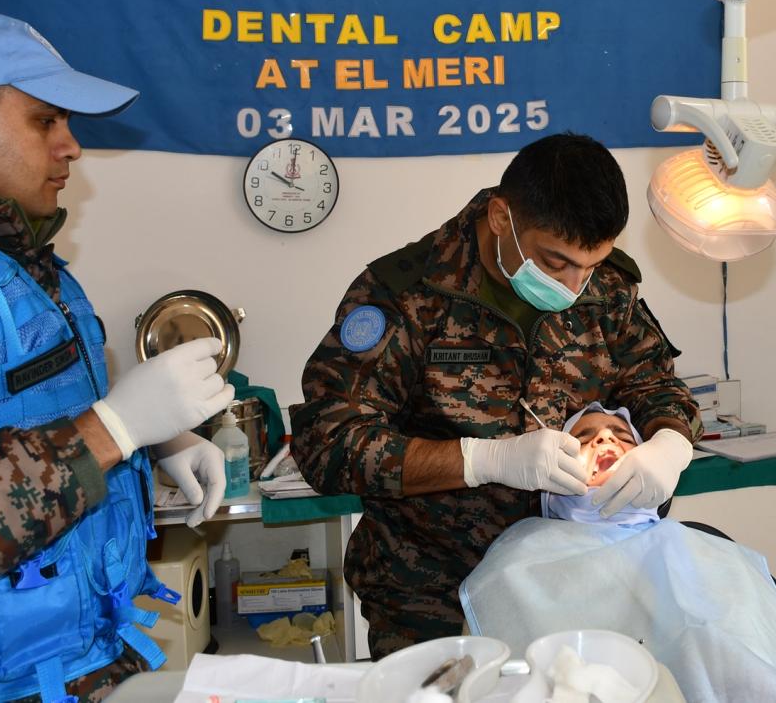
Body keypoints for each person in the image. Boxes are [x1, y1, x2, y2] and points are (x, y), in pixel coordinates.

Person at [0, 9, 236, 702]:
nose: (71, 146)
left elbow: (16, 411)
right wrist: (111, 431)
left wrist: (155, 437)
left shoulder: (15, 262)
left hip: (79, 667)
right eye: (45, 121)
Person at [290, 132, 701, 657]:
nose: (577, 285)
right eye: (557, 263)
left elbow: (656, 384)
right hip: (435, 597)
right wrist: (480, 460)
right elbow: (327, 442)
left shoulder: (608, 288)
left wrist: (670, 444)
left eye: (592, 264)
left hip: (582, 581)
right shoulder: (406, 294)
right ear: (503, 217)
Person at [459, 403, 776, 703]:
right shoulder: (519, 561)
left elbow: (761, 671)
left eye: (623, 436)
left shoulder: (704, 551)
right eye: (584, 437)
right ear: (549, 483)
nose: (605, 440)